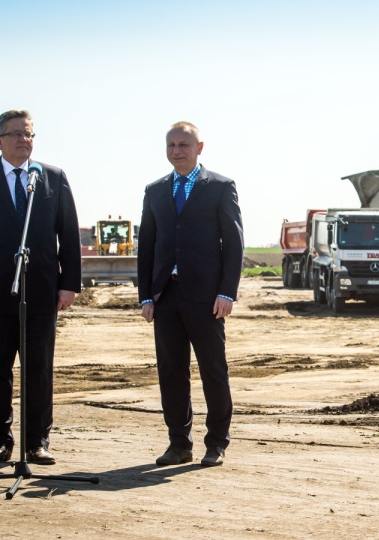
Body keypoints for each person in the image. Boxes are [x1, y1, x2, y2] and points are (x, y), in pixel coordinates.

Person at [0, 109, 81, 465]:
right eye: (18, 134)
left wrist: (69, 284)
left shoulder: (51, 177)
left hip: (41, 292)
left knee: (38, 368)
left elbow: (68, 235)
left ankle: (37, 441)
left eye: (30, 134)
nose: (25, 140)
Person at [137, 121, 244, 467]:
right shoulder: (154, 191)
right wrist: (146, 296)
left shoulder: (221, 187)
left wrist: (227, 292)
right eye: (171, 145)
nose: (176, 151)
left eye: (183, 144)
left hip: (207, 297)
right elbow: (147, 247)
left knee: (213, 369)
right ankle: (179, 443)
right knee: (171, 371)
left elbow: (234, 244)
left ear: (200, 147)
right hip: (166, 296)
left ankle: (216, 443)